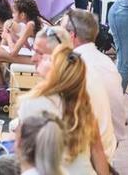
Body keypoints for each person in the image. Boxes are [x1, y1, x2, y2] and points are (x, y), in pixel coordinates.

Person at [18, 44, 110, 175]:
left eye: (49, 59)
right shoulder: (82, 105)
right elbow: (98, 152)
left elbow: (22, 153)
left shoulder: (32, 102)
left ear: (54, 72)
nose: (41, 58)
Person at [30, 26, 117, 162]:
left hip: (88, 158)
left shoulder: (70, 81)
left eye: (39, 53)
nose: (33, 58)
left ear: (56, 55)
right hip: (95, 153)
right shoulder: (77, 68)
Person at [63, 9, 126, 142]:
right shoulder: (106, 61)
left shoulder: (74, 62)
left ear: (72, 35)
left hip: (95, 142)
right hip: (113, 138)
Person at [0, 0, 43, 107]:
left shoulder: (30, 25)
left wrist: (8, 36)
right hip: (32, 56)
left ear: (22, 15)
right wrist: (9, 36)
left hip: (37, 60)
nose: (12, 15)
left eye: (14, 12)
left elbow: (13, 52)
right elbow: (23, 45)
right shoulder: (27, 25)